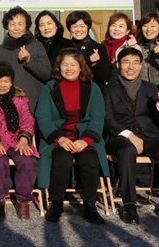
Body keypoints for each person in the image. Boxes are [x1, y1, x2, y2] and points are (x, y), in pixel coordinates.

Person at [103, 47, 159, 226]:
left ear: (141, 65)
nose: (131, 67)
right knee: (127, 150)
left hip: (149, 135)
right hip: (120, 136)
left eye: (135, 62)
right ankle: (129, 204)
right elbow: (107, 119)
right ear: (118, 64)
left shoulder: (152, 88)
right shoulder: (108, 89)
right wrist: (129, 135)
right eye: (126, 62)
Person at [35, 48, 108, 225]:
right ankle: (56, 203)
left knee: (89, 159)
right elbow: (42, 117)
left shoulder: (92, 88)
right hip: (59, 136)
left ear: (81, 66)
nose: (69, 68)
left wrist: (86, 140)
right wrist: (59, 138)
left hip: (85, 137)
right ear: (58, 67)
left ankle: (90, 205)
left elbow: (98, 117)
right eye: (64, 64)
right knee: (62, 159)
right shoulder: (50, 88)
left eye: (73, 64)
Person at [0, 61, 39, 221]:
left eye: (6, 81)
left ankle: (24, 200)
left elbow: (27, 120)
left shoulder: (20, 100)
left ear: (12, 82)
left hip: (15, 140)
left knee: (28, 161)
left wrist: (24, 139)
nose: (2, 85)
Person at [0, 6, 52, 111]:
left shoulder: (36, 46)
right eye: (12, 24)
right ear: (7, 26)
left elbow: (47, 74)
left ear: (26, 26)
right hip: (6, 104)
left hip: (32, 104)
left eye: (20, 24)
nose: (16, 28)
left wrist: (29, 60)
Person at [66, 10, 110, 87]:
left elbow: (104, 78)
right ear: (69, 28)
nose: (78, 30)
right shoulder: (64, 47)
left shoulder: (99, 48)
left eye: (82, 26)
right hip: (68, 88)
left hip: (91, 90)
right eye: (74, 26)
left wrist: (95, 64)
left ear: (88, 27)